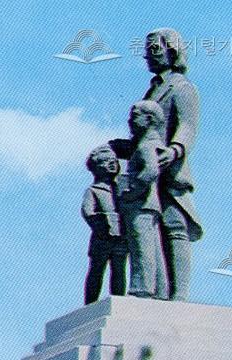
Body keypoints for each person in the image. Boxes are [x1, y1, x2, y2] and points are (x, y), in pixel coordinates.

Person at [139, 27, 204, 301]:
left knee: (175, 227)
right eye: (147, 51)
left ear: (172, 50)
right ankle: (159, 291)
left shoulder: (182, 87)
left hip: (171, 170)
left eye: (155, 48)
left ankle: (179, 296)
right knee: (152, 231)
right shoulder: (151, 91)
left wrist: (175, 150)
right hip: (148, 172)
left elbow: (187, 126)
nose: (149, 55)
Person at [109, 100, 169, 298]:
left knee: (141, 246)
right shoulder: (152, 143)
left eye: (134, 116)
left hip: (140, 204)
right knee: (154, 249)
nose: (130, 121)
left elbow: (151, 171)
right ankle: (160, 290)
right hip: (149, 205)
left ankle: (141, 289)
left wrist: (132, 192)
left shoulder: (145, 146)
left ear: (149, 119)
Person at [81, 145, 127, 304]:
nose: (112, 164)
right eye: (106, 161)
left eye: (114, 160)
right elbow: (87, 211)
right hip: (102, 236)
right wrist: (99, 223)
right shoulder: (94, 190)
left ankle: (119, 301)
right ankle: (90, 303)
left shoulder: (120, 188)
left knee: (119, 269)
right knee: (97, 270)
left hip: (120, 235)